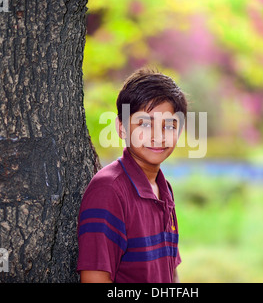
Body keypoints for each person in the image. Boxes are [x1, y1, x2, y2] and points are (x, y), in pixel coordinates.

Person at [77, 68, 188, 283]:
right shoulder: (109, 190)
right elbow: (94, 279)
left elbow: (170, 272)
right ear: (121, 128)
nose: (158, 136)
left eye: (169, 125)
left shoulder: (163, 188)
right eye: (145, 124)